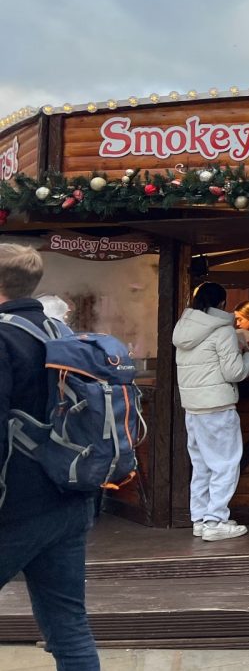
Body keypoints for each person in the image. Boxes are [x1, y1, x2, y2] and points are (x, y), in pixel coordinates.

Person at [0, 245, 100, 671]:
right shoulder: (61, 333)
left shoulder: (4, 337)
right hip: (69, 497)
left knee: (67, 625)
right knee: (69, 627)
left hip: (14, 506)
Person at [173, 281, 249, 542]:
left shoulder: (183, 329)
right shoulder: (223, 331)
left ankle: (200, 519)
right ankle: (215, 520)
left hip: (193, 408)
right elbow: (235, 372)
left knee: (202, 466)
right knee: (225, 464)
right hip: (217, 407)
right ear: (222, 303)